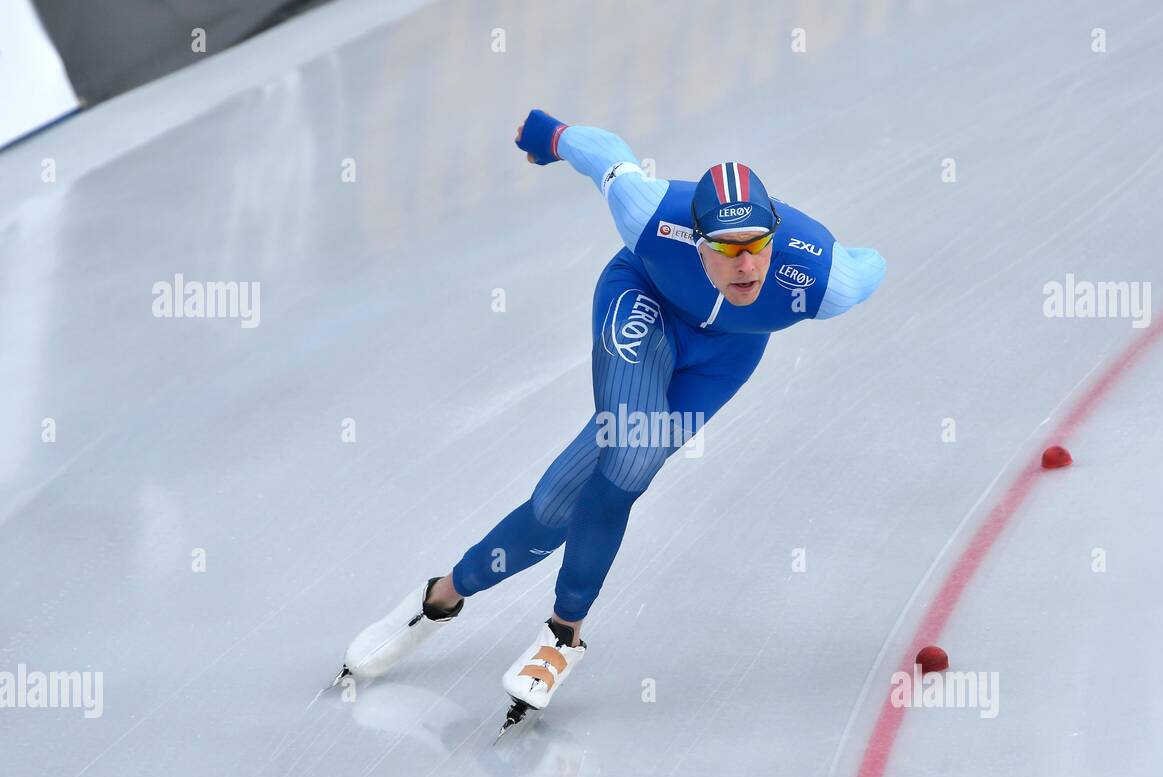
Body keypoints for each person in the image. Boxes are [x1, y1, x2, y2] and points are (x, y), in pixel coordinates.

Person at [338, 109, 886, 728]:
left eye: (757, 244)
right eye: (726, 249)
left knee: (557, 504)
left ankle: (482, 606)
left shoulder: (823, 281)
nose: (746, 267)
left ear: (774, 233)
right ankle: (507, 617)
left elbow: (873, 263)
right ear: (696, 239)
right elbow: (605, 156)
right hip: (642, 304)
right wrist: (549, 135)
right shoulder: (651, 215)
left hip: (723, 358)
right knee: (625, 451)